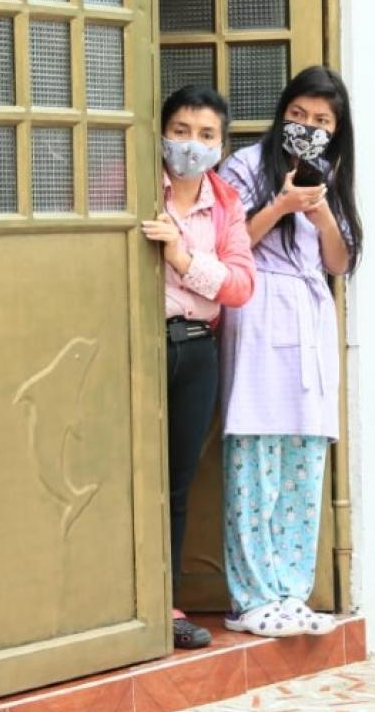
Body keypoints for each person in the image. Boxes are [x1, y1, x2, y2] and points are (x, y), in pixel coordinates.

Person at [215, 66, 362, 637]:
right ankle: (252, 598)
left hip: (308, 318)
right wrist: (279, 204)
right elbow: (231, 243)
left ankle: (291, 592)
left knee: (304, 457)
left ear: (336, 129)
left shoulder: (334, 175)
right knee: (255, 456)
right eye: (299, 116)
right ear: (283, 114)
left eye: (322, 121)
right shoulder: (246, 166)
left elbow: (338, 262)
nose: (308, 127)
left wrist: (320, 207)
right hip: (257, 312)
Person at [141, 85, 256, 649]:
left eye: (206, 135)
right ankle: (118, 603)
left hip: (197, 350)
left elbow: (240, 285)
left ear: (221, 143)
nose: (191, 145)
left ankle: (166, 603)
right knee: (125, 476)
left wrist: (182, 258)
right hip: (137, 346)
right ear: (162, 132)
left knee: (177, 484)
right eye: (181, 131)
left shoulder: (226, 203)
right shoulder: (134, 184)